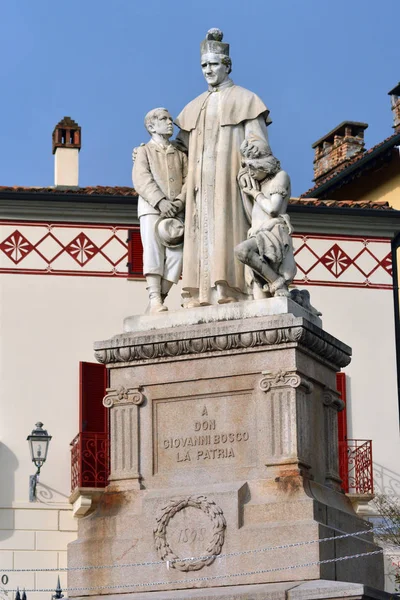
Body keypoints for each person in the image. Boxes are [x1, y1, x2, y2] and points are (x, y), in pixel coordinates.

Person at [175, 28, 272, 307]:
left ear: (227, 66)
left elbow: (259, 142)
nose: (208, 70)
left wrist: (254, 150)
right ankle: (199, 292)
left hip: (228, 181)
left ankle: (228, 289)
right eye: (204, 65)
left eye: (214, 64)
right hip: (198, 187)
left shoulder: (246, 100)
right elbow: (179, 150)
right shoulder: (193, 106)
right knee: (199, 233)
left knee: (225, 230)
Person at [132, 108, 187, 313]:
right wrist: (160, 201)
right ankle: (154, 297)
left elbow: (189, 180)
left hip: (176, 211)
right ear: (151, 126)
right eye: (164, 119)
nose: (170, 123)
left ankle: (160, 296)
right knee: (153, 252)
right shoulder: (144, 151)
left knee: (176, 256)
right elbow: (141, 179)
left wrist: (180, 202)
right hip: (152, 208)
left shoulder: (180, 154)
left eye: (170, 119)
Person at [234, 137, 297, 298]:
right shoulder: (260, 182)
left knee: (242, 250)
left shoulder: (280, 177)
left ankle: (277, 282)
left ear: (265, 165)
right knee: (259, 301)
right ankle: (280, 287)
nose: (250, 172)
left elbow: (273, 209)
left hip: (272, 234)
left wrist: (255, 194)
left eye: (253, 167)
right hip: (258, 234)